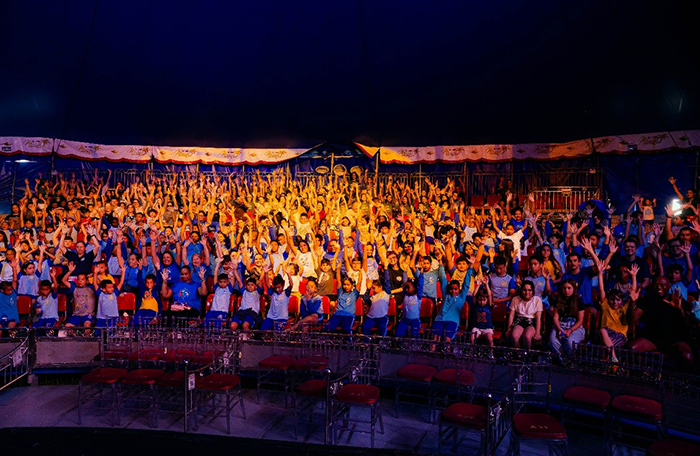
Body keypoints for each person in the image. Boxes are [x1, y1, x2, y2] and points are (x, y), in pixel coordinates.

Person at [597, 259, 636, 363]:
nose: (615, 302)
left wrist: (633, 276)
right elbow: (601, 288)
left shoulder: (623, 307)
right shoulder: (606, 305)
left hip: (619, 335)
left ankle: (613, 361)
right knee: (602, 332)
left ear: (621, 301)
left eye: (618, 300)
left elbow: (633, 293)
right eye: (612, 299)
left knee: (604, 346)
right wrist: (600, 273)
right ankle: (612, 364)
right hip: (606, 334)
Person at [548, 279, 585, 357]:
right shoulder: (558, 300)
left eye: (569, 288)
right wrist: (559, 329)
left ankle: (568, 359)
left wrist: (570, 330)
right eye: (564, 288)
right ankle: (564, 360)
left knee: (570, 342)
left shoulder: (579, 300)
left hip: (574, 326)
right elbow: (555, 317)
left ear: (573, 289)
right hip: (560, 324)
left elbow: (580, 320)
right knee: (552, 341)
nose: (566, 290)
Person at [506, 281, 543, 350]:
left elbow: (538, 318)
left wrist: (538, 332)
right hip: (519, 321)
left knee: (527, 336)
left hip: (531, 322)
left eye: (529, 290)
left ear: (532, 291)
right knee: (514, 336)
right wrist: (509, 329)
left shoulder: (537, 300)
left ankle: (527, 354)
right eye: (524, 290)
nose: (527, 292)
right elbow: (511, 315)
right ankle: (519, 353)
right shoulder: (515, 299)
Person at [325, 266, 360, 334]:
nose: (346, 286)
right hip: (337, 314)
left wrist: (360, 271)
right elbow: (338, 280)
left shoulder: (354, 294)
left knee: (346, 328)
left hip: (349, 316)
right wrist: (338, 269)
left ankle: (348, 340)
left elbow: (359, 283)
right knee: (328, 327)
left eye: (348, 285)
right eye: (344, 285)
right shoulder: (340, 293)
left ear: (352, 286)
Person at [469, 276, 494, 346]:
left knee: (490, 339)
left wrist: (486, 284)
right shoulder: (476, 305)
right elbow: (474, 295)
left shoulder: (488, 305)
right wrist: (478, 285)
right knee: (472, 339)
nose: (482, 302)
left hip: (487, 327)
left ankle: (491, 351)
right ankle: (472, 351)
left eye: (484, 300)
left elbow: (489, 295)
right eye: (480, 300)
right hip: (477, 327)